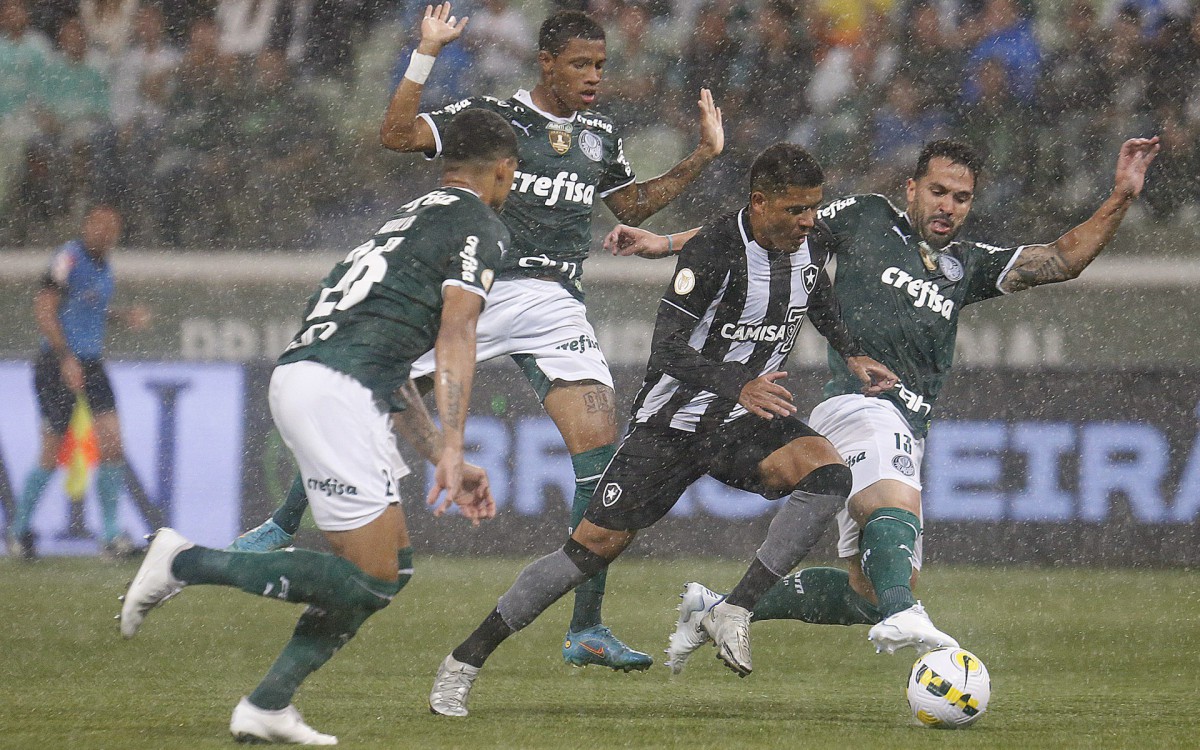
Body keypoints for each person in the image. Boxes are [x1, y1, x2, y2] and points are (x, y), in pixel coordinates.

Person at [231, 4, 725, 672]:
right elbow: (397, 133)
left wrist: (702, 155)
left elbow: (630, 205)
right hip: (483, 288)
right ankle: (282, 524)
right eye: (580, 64)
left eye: (601, 66)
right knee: (376, 387)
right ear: (545, 61)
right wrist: (426, 51)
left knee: (601, 459)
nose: (593, 77)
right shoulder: (494, 121)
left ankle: (586, 628)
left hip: (557, 305)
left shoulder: (599, 133)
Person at [607, 136, 1162, 668]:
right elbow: (763, 226)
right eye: (938, 192)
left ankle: (723, 607)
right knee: (892, 522)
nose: (948, 207)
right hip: (857, 403)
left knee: (865, 591)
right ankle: (906, 615)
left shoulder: (967, 266)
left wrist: (1121, 197)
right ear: (911, 189)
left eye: (961, 198)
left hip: (910, 423)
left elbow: (1062, 259)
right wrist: (667, 243)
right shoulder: (867, 217)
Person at [426, 143, 899, 716]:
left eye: (813, 209)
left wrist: (851, 354)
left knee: (826, 473)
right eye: (796, 210)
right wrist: (739, 384)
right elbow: (667, 350)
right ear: (760, 201)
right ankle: (464, 661)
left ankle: (735, 608)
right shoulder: (714, 250)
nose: (808, 222)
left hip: (734, 423)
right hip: (668, 429)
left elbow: (816, 296)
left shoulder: (809, 244)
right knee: (587, 551)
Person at [118, 108, 515, 745]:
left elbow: (389, 371)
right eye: (512, 174)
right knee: (370, 577)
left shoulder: (399, 227)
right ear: (504, 169)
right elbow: (457, 332)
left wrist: (442, 450)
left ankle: (269, 705)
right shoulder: (480, 227)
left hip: (317, 377)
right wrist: (456, 444)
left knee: (390, 569)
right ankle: (184, 561)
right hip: (336, 391)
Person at [8, 204, 149, 560]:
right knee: (52, 452)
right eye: (98, 225)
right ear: (86, 226)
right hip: (58, 364)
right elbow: (45, 307)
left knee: (113, 443)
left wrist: (122, 316)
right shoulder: (67, 258)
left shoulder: (105, 268)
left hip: (91, 363)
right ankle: (18, 531)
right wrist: (64, 357)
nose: (104, 233)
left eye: (111, 228)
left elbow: (89, 310)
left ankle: (111, 537)